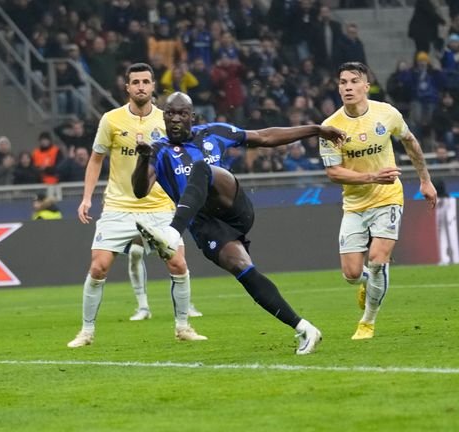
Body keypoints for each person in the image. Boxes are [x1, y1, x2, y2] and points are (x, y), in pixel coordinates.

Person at [132, 92, 345, 355]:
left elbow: (265, 137)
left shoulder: (213, 133)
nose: (175, 119)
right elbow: (140, 190)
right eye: (169, 114)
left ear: (192, 117)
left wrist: (316, 129)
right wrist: (142, 159)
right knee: (244, 270)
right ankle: (305, 329)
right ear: (163, 116)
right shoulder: (158, 150)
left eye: (182, 114)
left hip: (232, 207)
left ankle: (172, 234)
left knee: (202, 169)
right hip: (205, 226)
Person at [67, 63, 206, 349]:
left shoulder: (168, 120)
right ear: (127, 87)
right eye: (135, 82)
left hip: (160, 206)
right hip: (118, 206)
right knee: (98, 267)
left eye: (146, 81)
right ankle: (86, 331)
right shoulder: (111, 120)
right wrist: (86, 197)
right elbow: (96, 159)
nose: (141, 86)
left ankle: (183, 327)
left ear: (153, 86)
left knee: (178, 263)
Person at [319, 62, 437, 340]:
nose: (347, 87)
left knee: (377, 259)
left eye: (353, 81)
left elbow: (410, 142)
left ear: (365, 85)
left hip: (389, 197)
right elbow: (334, 172)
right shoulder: (330, 127)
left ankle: (367, 322)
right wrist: (372, 177)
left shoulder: (387, 113)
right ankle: (367, 283)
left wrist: (425, 180)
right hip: (355, 203)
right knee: (351, 274)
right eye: (342, 82)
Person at [434, 179, 459, 265]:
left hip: (450, 222)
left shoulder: (444, 201)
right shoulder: (451, 199)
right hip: (450, 222)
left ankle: (451, 258)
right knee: (447, 236)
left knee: (447, 235)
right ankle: (451, 258)